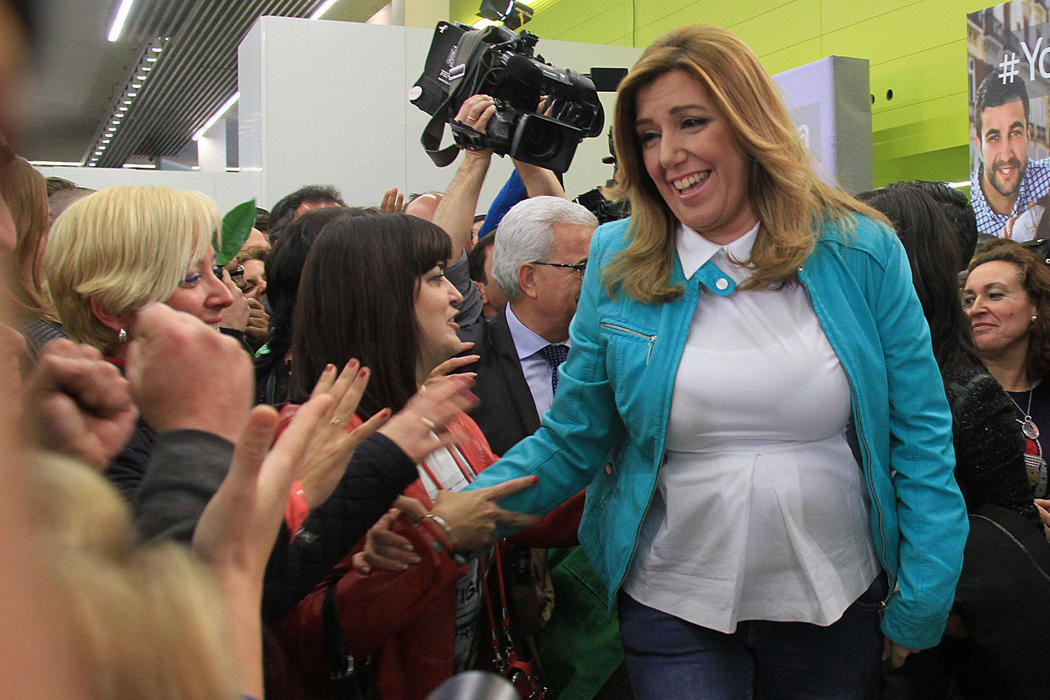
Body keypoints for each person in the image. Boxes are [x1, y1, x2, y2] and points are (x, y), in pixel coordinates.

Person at [447, 24, 967, 698]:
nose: (669, 154)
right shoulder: (616, 256)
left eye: (691, 122)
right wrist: (453, 513)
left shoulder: (859, 249)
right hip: (671, 600)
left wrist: (924, 596)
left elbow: (920, 433)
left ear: (751, 123)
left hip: (837, 598)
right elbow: (573, 437)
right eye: (648, 135)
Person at [276, 211, 578, 699]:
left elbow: (511, 504)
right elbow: (300, 637)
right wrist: (438, 541)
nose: (459, 294)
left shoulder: (444, 415)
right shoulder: (314, 440)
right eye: (436, 278)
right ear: (381, 298)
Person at [42, 185, 236, 498]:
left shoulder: (181, 397)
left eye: (215, 270)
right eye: (190, 277)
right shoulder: (98, 430)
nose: (224, 296)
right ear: (113, 308)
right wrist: (300, 488)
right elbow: (183, 528)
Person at [963, 238, 1050, 531]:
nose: (976, 309)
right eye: (969, 300)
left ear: (1035, 305)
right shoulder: (952, 397)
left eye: (995, 295)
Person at [969, 72, 1050, 238]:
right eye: (994, 137)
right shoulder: (965, 208)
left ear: (1028, 134)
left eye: (1015, 133)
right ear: (979, 143)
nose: (1006, 156)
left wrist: (1040, 221)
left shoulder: (1047, 176)